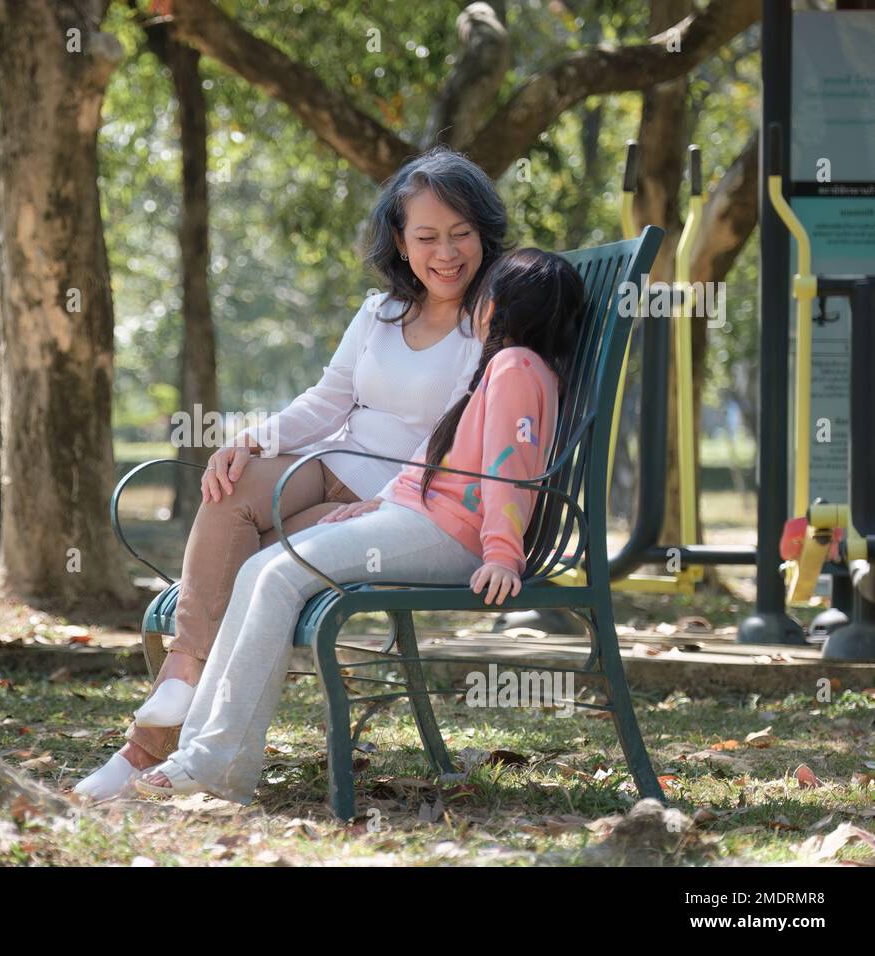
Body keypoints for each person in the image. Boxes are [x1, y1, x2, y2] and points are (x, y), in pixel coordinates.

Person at [74, 146, 509, 801]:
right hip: (330, 465)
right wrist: (250, 440)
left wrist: (387, 500)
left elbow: (471, 439)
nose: (445, 253)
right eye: (426, 237)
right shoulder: (380, 315)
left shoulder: (492, 323)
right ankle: (181, 677)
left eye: (461, 234)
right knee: (230, 491)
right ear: (400, 240)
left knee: (256, 571)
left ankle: (150, 755)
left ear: (484, 233)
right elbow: (327, 402)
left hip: (400, 505)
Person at [130, 248, 586, 805]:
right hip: (417, 517)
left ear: (498, 306)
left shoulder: (515, 366)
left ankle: (214, 763)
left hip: (453, 535)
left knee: (278, 574)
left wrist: (501, 552)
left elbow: (508, 469)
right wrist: (383, 502)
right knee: (261, 568)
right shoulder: (503, 366)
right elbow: (439, 459)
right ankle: (203, 755)